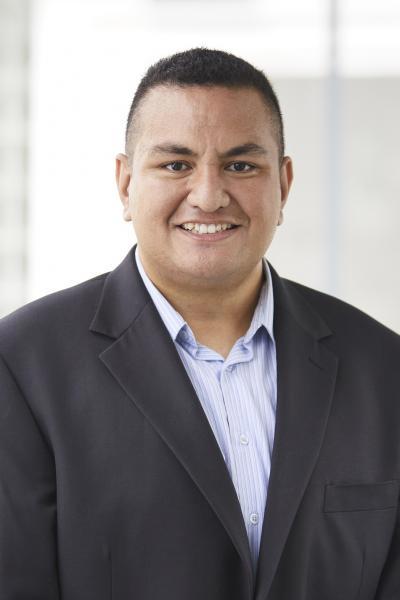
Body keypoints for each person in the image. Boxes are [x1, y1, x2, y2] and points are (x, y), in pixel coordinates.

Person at [0, 48, 399, 600]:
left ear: (283, 184)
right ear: (124, 183)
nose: (209, 195)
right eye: (175, 164)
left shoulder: (382, 367)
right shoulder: (22, 365)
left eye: (241, 165)